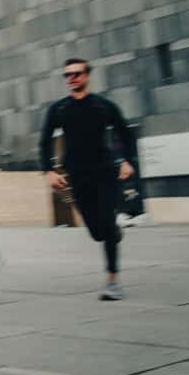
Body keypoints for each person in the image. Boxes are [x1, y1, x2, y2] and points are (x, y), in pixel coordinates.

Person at [40, 58, 137, 301]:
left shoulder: (103, 106)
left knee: (106, 222)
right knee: (96, 232)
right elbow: (44, 140)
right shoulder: (60, 109)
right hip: (77, 176)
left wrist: (127, 160)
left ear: (86, 76)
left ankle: (113, 281)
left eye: (76, 74)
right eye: (67, 75)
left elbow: (125, 133)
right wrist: (48, 171)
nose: (71, 78)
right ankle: (112, 232)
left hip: (105, 173)